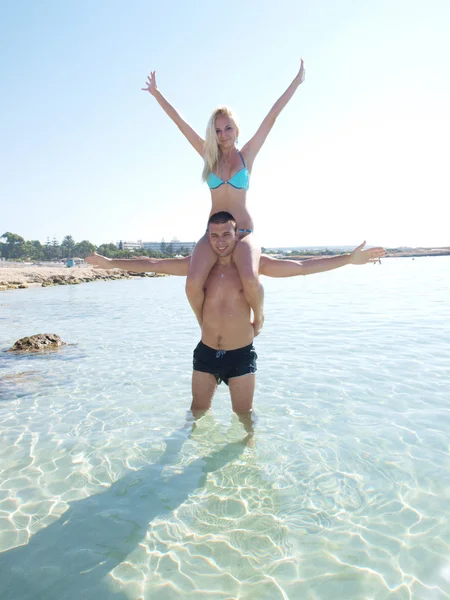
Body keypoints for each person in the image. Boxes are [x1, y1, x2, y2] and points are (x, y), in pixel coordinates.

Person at [86, 212, 385, 418]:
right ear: (207, 236)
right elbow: (154, 263)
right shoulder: (197, 266)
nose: (219, 241)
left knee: (244, 422)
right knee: (196, 416)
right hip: (206, 354)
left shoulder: (254, 266)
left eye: (225, 234)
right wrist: (110, 262)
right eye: (213, 235)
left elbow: (302, 266)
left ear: (236, 234)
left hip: (241, 355)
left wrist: (348, 259)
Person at [141, 61, 306, 335]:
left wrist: (296, 82)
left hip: (243, 231)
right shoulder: (209, 156)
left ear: (236, 129)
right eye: (218, 130)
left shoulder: (247, 155)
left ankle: (260, 317)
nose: (223, 135)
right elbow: (180, 124)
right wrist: (157, 94)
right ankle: (203, 322)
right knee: (193, 283)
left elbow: (272, 116)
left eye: (228, 129)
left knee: (251, 280)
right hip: (214, 232)